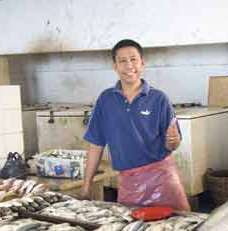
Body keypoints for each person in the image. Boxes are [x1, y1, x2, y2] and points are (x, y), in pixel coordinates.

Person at [81, 39, 191, 211]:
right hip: (129, 182)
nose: (129, 65)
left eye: (133, 59)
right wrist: (86, 185)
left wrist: (173, 140)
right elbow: (96, 144)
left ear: (142, 63)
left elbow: (173, 144)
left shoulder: (159, 98)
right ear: (115, 66)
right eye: (122, 61)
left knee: (177, 226)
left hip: (163, 179)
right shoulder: (105, 100)